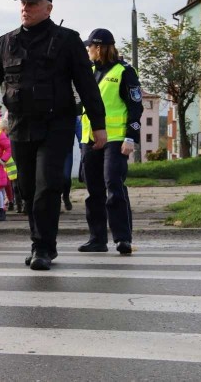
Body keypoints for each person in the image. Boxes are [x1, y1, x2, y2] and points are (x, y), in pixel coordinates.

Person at [0, 0, 107, 270]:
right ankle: (41, 243)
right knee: (29, 190)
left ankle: (42, 248)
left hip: (56, 124)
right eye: (23, 4)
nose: (25, 8)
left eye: (32, 4)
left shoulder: (67, 40)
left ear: (48, 8)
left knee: (47, 187)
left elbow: (86, 84)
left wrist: (98, 125)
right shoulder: (6, 42)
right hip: (20, 125)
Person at [78, 28, 144, 255]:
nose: (87, 50)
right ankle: (97, 239)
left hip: (116, 139)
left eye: (90, 46)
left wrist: (131, 138)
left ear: (99, 47)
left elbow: (136, 106)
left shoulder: (125, 71)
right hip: (91, 138)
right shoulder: (89, 71)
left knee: (113, 185)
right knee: (93, 190)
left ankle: (123, 238)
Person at [62, 115, 82, 211]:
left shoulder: (72, 116)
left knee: (66, 177)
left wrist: (82, 146)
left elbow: (79, 130)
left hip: (67, 150)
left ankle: (66, 196)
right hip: (50, 151)